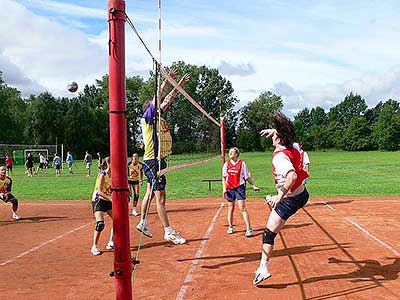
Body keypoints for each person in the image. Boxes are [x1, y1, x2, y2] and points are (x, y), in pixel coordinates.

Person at [253, 112, 309, 285]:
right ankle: (263, 267)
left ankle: (263, 268)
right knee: (273, 229)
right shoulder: (295, 146)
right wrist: (276, 131)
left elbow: (291, 176)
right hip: (302, 194)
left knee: (269, 234)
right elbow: (294, 141)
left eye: (276, 133)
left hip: (290, 199)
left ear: (279, 138)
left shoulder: (280, 156)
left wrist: (279, 196)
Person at [136, 69, 190, 245]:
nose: (160, 107)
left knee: (150, 194)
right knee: (160, 197)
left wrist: (179, 84)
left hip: (157, 160)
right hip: (153, 161)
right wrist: (165, 81)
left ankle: (143, 222)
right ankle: (168, 231)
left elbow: (168, 99)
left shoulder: (158, 117)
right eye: (155, 105)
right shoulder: (147, 118)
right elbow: (159, 96)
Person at [222, 147, 260, 237]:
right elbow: (223, 177)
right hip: (230, 189)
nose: (230, 153)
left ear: (237, 154)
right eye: (229, 152)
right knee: (230, 208)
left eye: (232, 152)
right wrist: (224, 188)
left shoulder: (242, 164)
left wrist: (254, 186)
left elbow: (247, 177)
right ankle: (230, 227)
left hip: (239, 188)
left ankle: (249, 229)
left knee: (242, 208)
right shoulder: (226, 164)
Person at [90, 157, 114, 256]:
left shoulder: (115, 175)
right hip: (98, 200)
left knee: (118, 222)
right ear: (109, 164)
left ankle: (111, 242)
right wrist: (111, 198)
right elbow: (99, 191)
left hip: (107, 199)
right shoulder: (102, 174)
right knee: (100, 224)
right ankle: (94, 246)